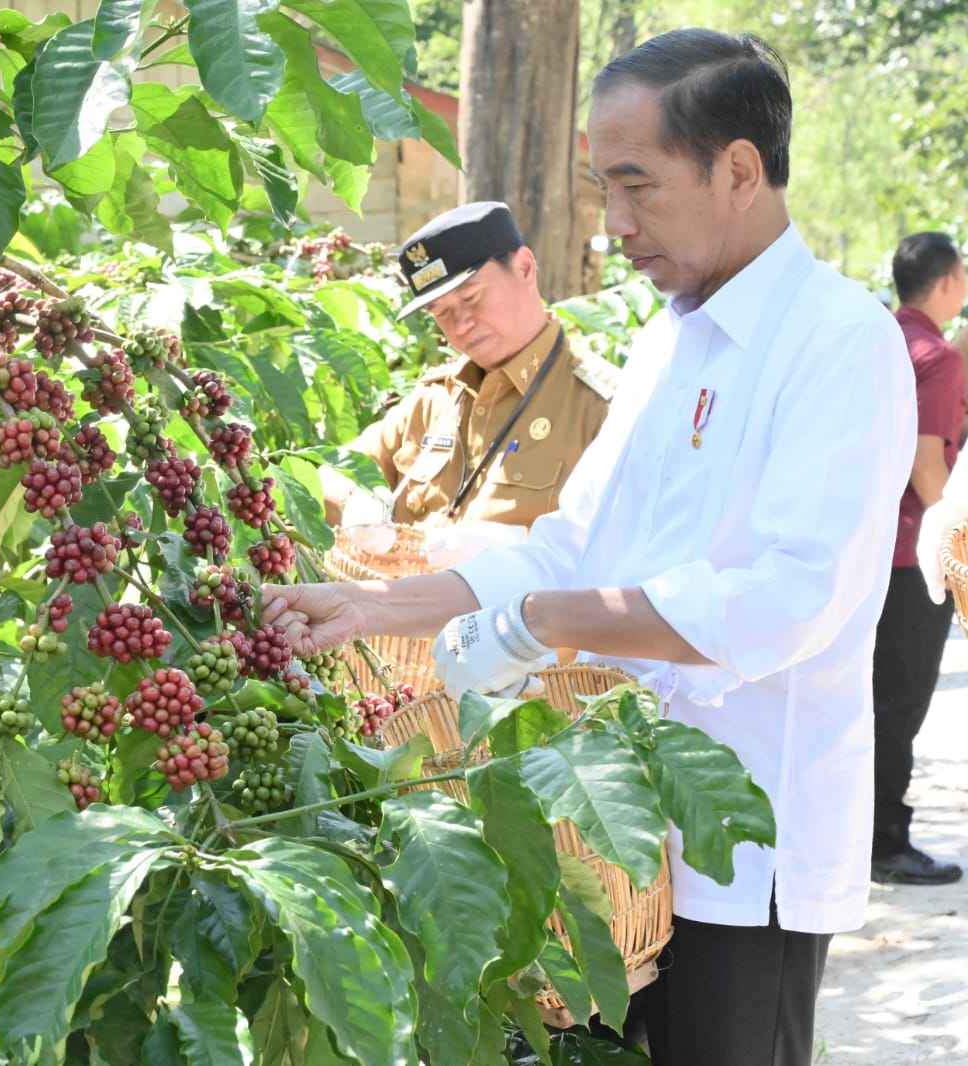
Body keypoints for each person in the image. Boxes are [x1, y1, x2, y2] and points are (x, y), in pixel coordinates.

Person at [263, 29, 914, 1066]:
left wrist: (540, 623)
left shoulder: (836, 340)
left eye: (635, 187)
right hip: (615, 829)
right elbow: (575, 540)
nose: (612, 226)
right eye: (601, 189)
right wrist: (383, 606)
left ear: (737, 169)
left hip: (746, 849)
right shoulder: (671, 337)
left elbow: (788, 599)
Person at [319, 202, 618, 542]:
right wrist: (356, 501)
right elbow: (334, 472)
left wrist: (516, 549)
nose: (461, 325)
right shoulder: (435, 400)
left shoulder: (603, 406)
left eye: (472, 297)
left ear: (524, 268)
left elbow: (619, 549)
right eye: (441, 312)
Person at [870, 232, 966, 886]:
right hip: (913, 555)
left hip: (869, 548)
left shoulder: (880, 341)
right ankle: (887, 842)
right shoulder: (937, 355)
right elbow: (926, 461)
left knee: (870, 699)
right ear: (947, 284)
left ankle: (862, 833)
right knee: (900, 704)